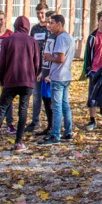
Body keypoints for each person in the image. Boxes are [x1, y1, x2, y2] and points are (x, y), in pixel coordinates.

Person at [0, 16, 40, 152]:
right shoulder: (32, 41)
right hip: (27, 80)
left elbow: (2, 63)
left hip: (11, 79)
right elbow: (36, 62)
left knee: (2, 109)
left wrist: (3, 79)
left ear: (15, 26)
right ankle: (18, 142)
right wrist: (32, 76)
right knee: (23, 110)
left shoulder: (8, 40)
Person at [40, 13, 75, 145]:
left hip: (58, 76)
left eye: (52, 23)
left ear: (59, 24)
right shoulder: (70, 37)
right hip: (66, 76)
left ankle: (55, 134)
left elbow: (61, 58)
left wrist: (49, 57)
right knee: (65, 105)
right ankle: (68, 132)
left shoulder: (60, 38)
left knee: (57, 106)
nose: (50, 26)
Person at [83, 10, 102, 131]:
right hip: (95, 70)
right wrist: (88, 70)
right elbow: (87, 55)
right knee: (92, 96)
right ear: (98, 21)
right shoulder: (92, 37)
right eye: (101, 20)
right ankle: (92, 120)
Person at [27, 3, 52, 134]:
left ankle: (52, 123)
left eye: (42, 13)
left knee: (48, 97)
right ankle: (35, 121)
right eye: (38, 13)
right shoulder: (35, 29)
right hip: (36, 66)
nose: (40, 16)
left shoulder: (50, 29)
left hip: (48, 67)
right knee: (36, 95)